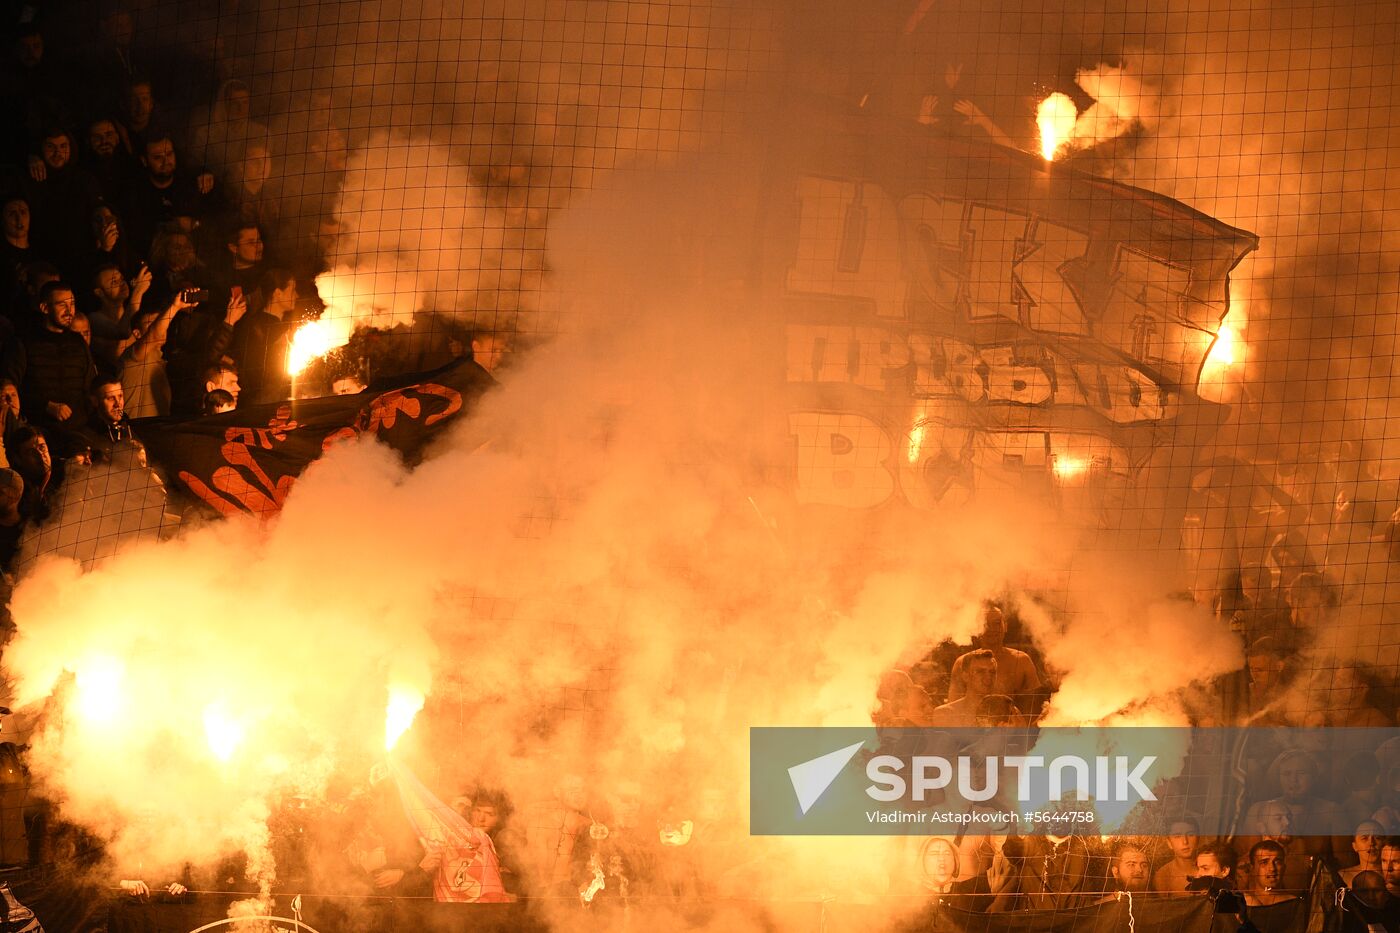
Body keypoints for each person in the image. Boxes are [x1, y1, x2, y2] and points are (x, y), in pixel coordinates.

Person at [13, 282, 96, 443]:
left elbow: (90, 386)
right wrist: (45, 406)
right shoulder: (24, 343)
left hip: (78, 432)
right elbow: (10, 389)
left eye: (72, 304)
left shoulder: (79, 343)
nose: (69, 310)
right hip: (38, 434)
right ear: (44, 308)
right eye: (62, 305)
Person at [947, 604, 1041, 712]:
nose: (991, 629)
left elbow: (1037, 705)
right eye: (985, 624)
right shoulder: (962, 663)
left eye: (996, 623)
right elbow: (952, 708)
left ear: (1005, 626)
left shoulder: (1022, 661)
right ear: (977, 628)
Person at [932, 650, 999, 726]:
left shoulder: (1007, 711)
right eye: (980, 671)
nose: (988, 677)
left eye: (992, 672)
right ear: (965, 676)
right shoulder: (946, 713)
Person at [78, 377, 136, 463]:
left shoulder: (130, 428)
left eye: (120, 396)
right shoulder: (85, 438)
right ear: (95, 401)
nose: (118, 404)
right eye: (111, 398)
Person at [1242, 840, 1295, 907]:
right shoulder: (1239, 903)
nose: (1272, 868)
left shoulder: (1295, 904)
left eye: (1277, 862)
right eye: (1264, 862)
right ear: (1252, 868)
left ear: (1284, 868)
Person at [1152, 818, 1199, 892]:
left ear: (1198, 838)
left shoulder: (1210, 868)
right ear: (1169, 843)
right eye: (1177, 836)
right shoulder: (1162, 876)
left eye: (1190, 834)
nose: (1185, 841)